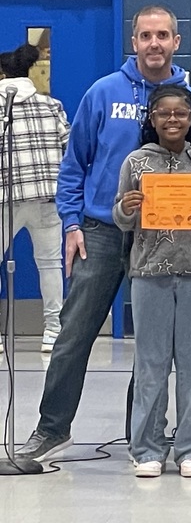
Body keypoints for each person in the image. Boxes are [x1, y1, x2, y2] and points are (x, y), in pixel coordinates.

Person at [16, 5, 191, 462]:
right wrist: (72, 224)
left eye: (163, 35)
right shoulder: (103, 93)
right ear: (133, 42)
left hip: (169, 239)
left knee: (152, 344)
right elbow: (74, 164)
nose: (153, 43)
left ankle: (145, 440)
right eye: (145, 35)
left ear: (177, 42)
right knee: (74, 334)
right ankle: (52, 429)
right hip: (101, 230)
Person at [113, 85, 191, 478]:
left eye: (180, 113)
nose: (172, 120)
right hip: (149, 273)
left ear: (190, 118)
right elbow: (121, 218)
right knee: (150, 364)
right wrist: (126, 208)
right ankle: (147, 446)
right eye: (164, 113)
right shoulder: (135, 163)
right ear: (152, 118)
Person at [0, 44, 70, 354]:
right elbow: (70, 149)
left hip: (4, 198)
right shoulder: (51, 105)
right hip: (47, 197)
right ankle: (53, 331)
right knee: (50, 265)